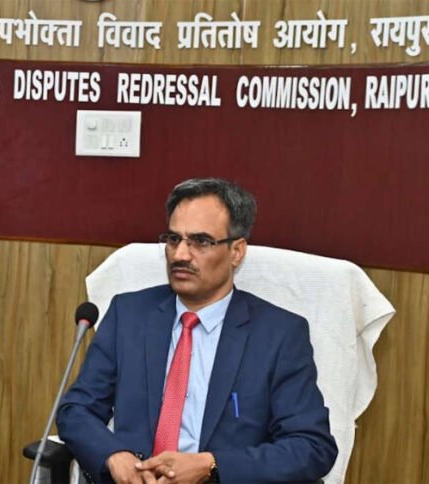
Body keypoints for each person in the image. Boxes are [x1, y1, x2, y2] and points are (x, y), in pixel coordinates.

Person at [56, 178, 337, 483]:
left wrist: (211, 466)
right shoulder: (129, 315)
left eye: (200, 241)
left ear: (237, 251)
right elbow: (76, 410)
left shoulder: (278, 335)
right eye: (173, 239)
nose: (180, 255)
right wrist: (114, 456)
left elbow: (311, 446)